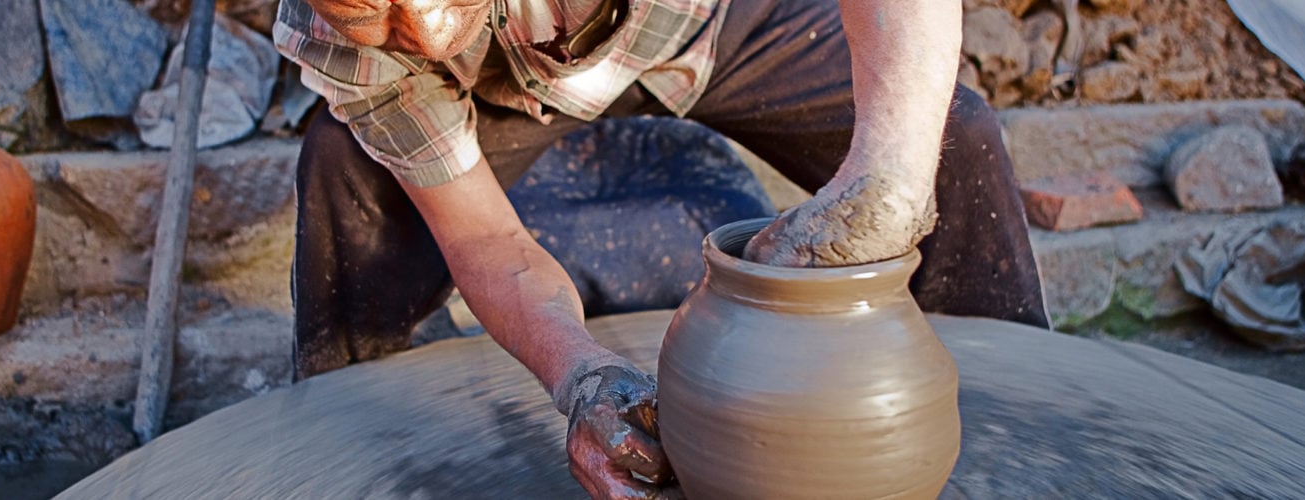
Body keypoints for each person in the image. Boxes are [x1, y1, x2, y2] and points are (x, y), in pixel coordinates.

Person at [274, 0, 1048, 497]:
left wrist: (889, 175)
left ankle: (1015, 442)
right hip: (500, 86)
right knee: (348, 171)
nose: (430, 31)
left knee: (950, 136)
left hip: (709, 22)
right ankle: (372, 453)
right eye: (381, 16)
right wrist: (579, 377)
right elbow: (489, 240)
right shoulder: (350, 38)